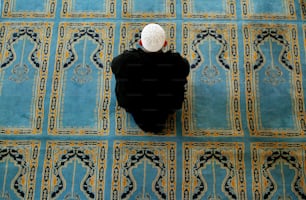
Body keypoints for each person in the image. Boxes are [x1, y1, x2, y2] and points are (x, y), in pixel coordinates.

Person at [111, 23, 190, 133]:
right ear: (165, 43)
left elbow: (114, 65)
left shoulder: (125, 61)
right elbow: (185, 69)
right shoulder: (176, 62)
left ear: (140, 43)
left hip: (134, 105)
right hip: (166, 106)